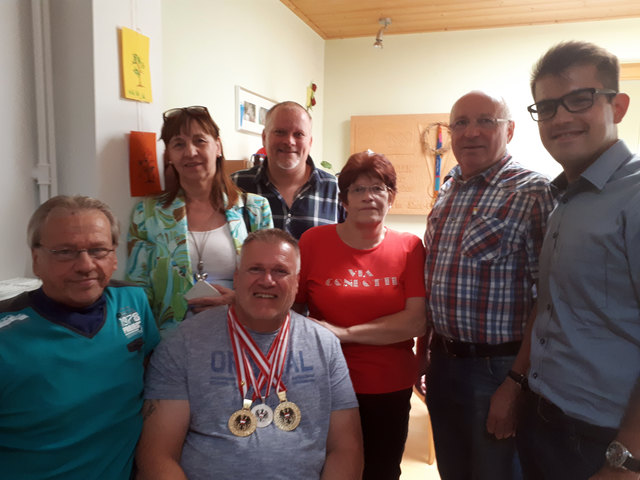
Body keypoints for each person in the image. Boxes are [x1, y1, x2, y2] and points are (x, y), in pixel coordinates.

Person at [136, 229, 363, 480]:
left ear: (297, 282)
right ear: (236, 277)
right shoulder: (184, 343)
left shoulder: (325, 346)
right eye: (255, 269)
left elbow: (346, 449)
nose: (267, 280)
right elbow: (157, 455)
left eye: (280, 271)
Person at [516, 41, 640, 480]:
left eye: (580, 99)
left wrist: (628, 459)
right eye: (547, 107)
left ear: (618, 106)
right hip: (544, 416)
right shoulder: (565, 199)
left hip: (603, 438)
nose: (561, 117)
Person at [420, 91, 555, 480]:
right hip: (443, 365)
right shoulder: (447, 193)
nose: (471, 132)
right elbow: (435, 281)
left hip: (498, 370)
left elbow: (549, 300)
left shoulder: (534, 192)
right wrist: (425, 353)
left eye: (486, 121)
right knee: (454, 471)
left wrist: (515, 384)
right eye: (460, 123)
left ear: (509, 130)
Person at [0, 195, 160, 480]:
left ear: (114, 257)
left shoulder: (133, 302)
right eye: (65, 252)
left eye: (98, 250)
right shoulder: (6, 335)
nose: (85, 265)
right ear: (36, 259)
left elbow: (153, 382)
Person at [294, 151, 427, 480]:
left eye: (379, 188)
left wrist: (342, 333)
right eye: (357, 189)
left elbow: (415, 321)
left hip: (389, 385)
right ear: (344, 200)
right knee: (328, 470)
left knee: (381, 470)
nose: (368, 196)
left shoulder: (410, 247)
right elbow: (292, 308)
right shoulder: (314, 242)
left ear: (391, 198)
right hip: (325, 382)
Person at [126, 106, 273, 331]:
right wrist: (139, 345)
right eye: (178, 144)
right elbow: (137, 291)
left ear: (218, 146)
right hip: (172, 345)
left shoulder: (254, 210)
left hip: (240, 335)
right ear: (169, 156)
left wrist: (238, 301)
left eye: (199, 141)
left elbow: (271, 284)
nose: (190, 152)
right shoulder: (148, 213)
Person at [231, 101, 343, 239]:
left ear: (310, 142)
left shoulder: (336, 190)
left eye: (299, 134)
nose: (289, 141)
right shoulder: (234, 185)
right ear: (264, 137)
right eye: (280, 132)